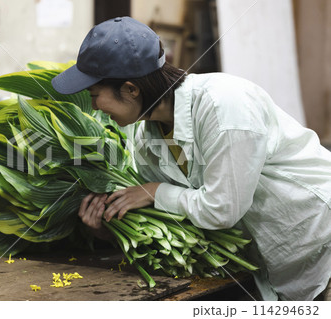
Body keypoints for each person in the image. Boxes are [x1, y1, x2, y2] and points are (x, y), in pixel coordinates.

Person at [51, 16, 331, 301]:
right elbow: (173, 218)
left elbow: (222, 210)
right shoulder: (146, 136)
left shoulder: (224, 106)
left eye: (95, 95)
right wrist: (106, 228)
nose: (95, 108)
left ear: (130, 89)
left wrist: (155, 191)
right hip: (270, 264)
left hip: (318, 243)